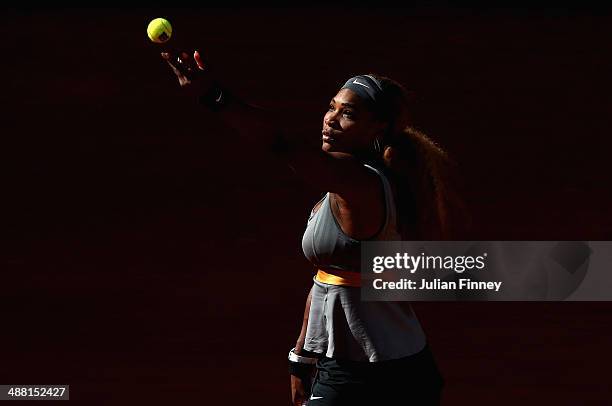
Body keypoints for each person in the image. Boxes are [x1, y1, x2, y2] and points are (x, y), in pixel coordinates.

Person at [159, 49, 466, 405]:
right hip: (368, 366)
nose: (331, 120)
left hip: (384, 377)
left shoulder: (359, 185)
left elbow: (283, 144)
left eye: (348, 113)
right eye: (331, 107)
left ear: (377, 127)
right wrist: (302, 357)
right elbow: (327, 278)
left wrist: (215, 96)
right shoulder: (344, 187)